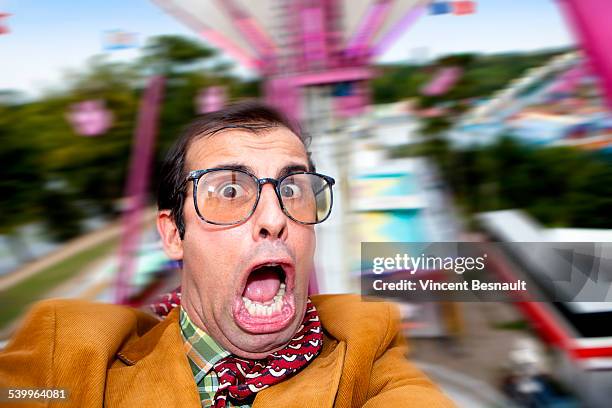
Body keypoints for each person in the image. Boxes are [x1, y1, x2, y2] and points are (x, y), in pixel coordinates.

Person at [0, 101, 455, 407]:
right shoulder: (72, 351)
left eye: (293, 188)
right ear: (174, 234)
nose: (275, 217)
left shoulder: (368, 349)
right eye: (231, 189)